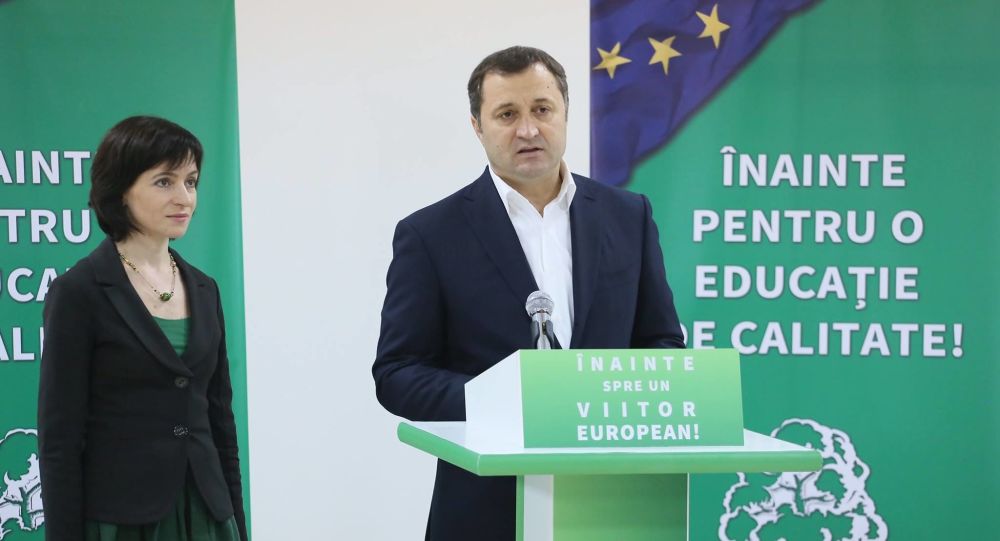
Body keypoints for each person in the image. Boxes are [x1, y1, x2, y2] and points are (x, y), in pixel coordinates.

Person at [373, 46, 686, 540]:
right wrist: (506, 403)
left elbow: (662, 343)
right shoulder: (431, 234)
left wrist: (615, 401)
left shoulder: (629, 216)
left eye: (542, 109)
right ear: (477, 127)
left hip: (615, 502)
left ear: (565, 113)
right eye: (506, 114)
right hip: (484, 508)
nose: (528, 130)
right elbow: (397, 374)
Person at [37, 116, 248, 541]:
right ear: (121, 190)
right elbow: (60, 442)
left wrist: (238, 524)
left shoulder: (205, 289)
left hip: (207, 514)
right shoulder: (79, 292)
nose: (184, 197)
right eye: (164, 181)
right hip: (122, 520)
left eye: (191, 182)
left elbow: (221, 425)